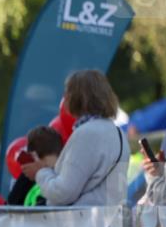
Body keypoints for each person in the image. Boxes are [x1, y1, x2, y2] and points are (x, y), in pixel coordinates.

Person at [21, 70, 129, 206]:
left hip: (82, 223)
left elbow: (63, 193)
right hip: (109, 220)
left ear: (76, 97)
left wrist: (40, 173)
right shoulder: (117, 133)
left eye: (67, 92)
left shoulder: (86, 134)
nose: (64, 97)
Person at [8, 126, 63, 206]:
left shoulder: (61, 179)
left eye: (53, 167)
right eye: (46, 166)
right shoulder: (26, 179)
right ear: (32, 157)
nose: (49, 171)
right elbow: (11, 204)